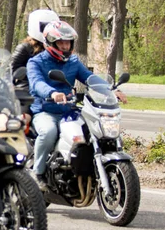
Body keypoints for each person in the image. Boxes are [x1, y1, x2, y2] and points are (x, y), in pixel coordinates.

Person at [27, 21, 127, 190]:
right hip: (45, 110)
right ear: (51, 43)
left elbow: (89, 77)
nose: (65, 46)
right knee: (48, 132)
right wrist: (52, 93)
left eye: (68, 42)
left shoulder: (73, 62)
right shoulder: (36, 62)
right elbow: (37, 84)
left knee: (93, 130)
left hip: (69, 110)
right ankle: (38, 173)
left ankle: (87, 167)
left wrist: (110, 90)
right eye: (61, 42)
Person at [11, 9, 59, 85]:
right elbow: (12, 71)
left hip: (54, 89)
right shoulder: (25, 48)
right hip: (29, 90)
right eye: (46, 26)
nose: (49, 30)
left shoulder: (58, 48)